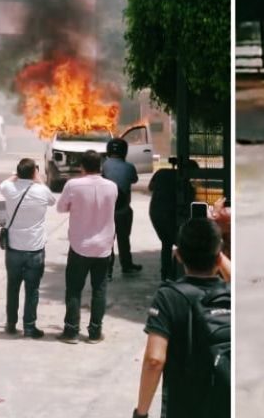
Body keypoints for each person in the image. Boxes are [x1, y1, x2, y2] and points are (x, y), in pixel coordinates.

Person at [135, 218, 231, 418]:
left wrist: (141, 413)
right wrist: (217, 253)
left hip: (184, 408)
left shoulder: (169, 297)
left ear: (178, 255)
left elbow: (154, 359)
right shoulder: (231, 293)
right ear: (218, 257)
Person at [55, 150, 117, 343]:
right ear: (100, 166)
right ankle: (95, 332)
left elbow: (60, 208)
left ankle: (71, 331)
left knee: (74, 288)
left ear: (81, 166)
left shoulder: (73, 184)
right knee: (99, 288)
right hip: (104, 246)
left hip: (79, 245)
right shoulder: (112, 186)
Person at [0, 158, 56, 338]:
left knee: (13, 287)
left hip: (14, 247)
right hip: (35, 248)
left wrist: (18, 175)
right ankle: (30, 326)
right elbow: (52, 201)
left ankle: (10, 323)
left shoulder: (9, 188)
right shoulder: (41, 191)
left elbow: (3, 184)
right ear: (34, 172)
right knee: (32, 290)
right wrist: (37, 178)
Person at [148, 159, 197, 282]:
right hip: (170, 215)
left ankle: (166, 274)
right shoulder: (186, 185)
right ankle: (180, 273)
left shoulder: (161, 173)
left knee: (166, 243)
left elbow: (150, 187)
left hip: (156, 212)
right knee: (179, 243)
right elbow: (190, 200)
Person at [102, 137, 142, 276]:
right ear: (125, 151)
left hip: (106, 211)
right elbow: (134, 179)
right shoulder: (129, 167)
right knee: (124, 239)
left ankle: (107, 269)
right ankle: (127, 265)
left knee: (108, 240)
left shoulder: (104, 165)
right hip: (123, 209)